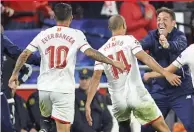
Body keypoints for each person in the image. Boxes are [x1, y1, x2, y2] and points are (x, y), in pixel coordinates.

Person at [8, 3, 125, 132]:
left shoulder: (43, 34)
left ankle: (46, 124)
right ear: (71, 18)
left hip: (44, 90)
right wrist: (112, 62)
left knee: (46, 124)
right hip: (63, 90)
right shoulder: (76, 34)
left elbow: (24, 54)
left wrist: (14, 74)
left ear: (54, 18)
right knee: (64, 129)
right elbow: (91, 53)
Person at [86, 15, 181, 132]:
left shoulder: (101, 51)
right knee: (161, 126)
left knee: (123, 127)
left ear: (109, 28)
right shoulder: (129, 40)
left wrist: (88, 103)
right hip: (136, 94)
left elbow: (96, 78)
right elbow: (146, 58)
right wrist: (165, 73)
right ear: (124, 25)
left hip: (118, 99)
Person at [141, 7, 194, 132]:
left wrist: (167, 44)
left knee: (192, 127)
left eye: (165, 19)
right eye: (158, 19)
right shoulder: (151, 36)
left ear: (173, 23)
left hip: (181, 90)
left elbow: (178, 46)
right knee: (146, 128)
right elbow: (138, 47)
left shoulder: (180, 36)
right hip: (159, 91)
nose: (160, 22)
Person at [1, 24, 40, 132]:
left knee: (9, 127)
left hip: (5, 95)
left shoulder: (10, 54)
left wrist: (18, 82)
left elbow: (27, 68)